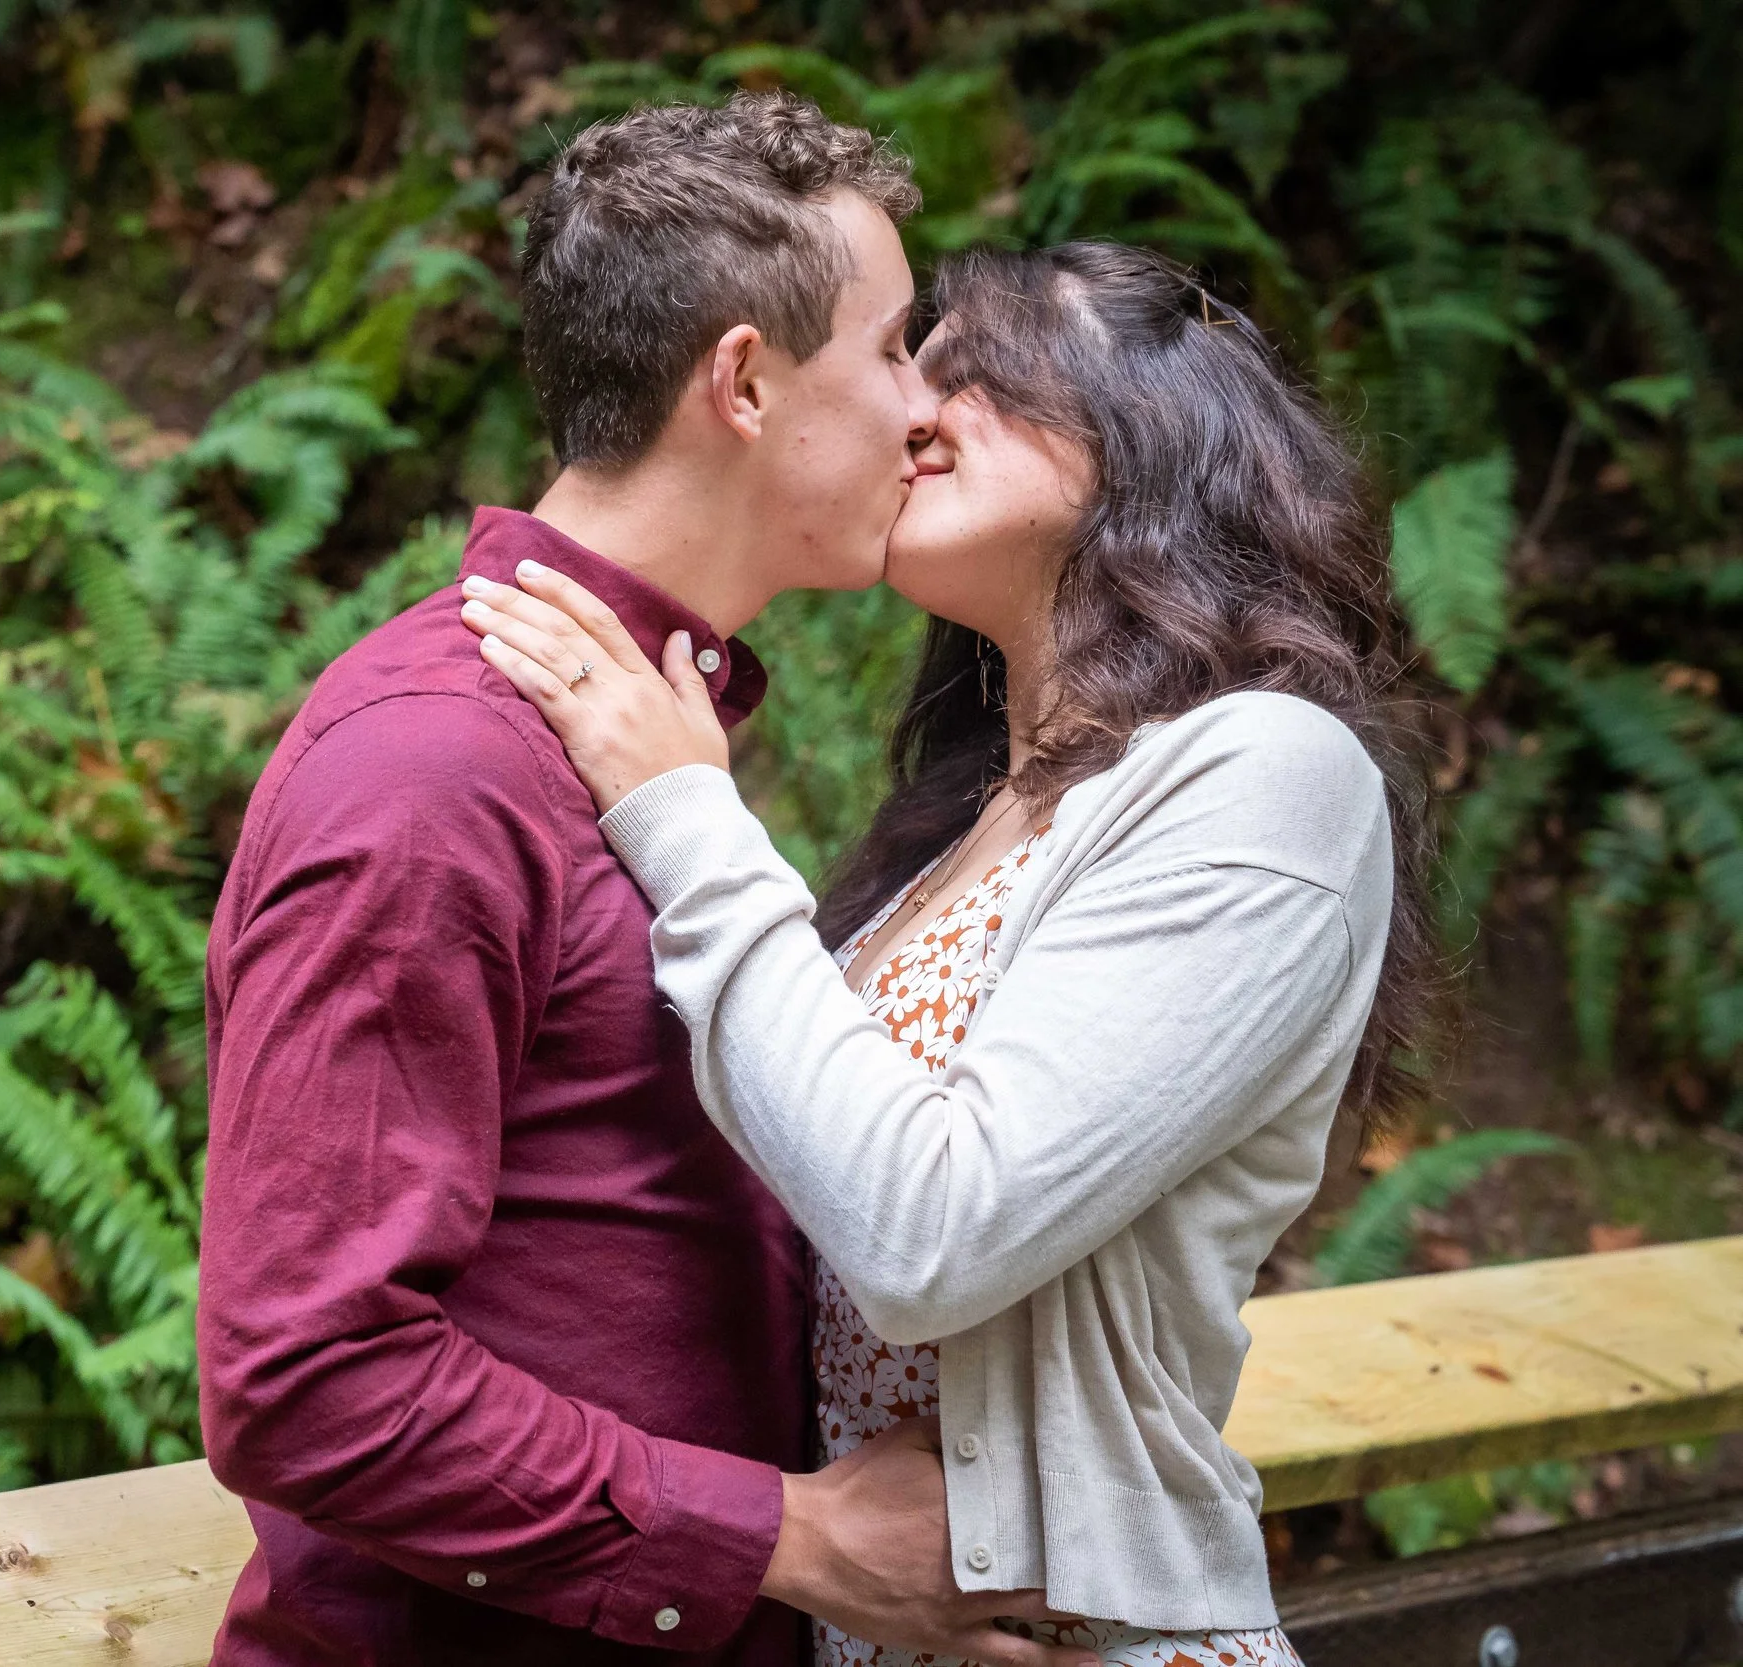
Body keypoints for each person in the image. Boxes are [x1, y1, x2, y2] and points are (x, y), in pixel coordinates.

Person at [197, 98, 1101, 1667]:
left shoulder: (640, 736)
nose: (926, 411)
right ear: (744, 382)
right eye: (896, 350)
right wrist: (796, 1539)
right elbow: (302, 1376)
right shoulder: (433, 771)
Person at [460, 239, 1438, 1667]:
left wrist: (682, 814)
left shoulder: (1269, 771)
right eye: (906, 369)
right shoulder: (968, 824)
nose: (912, 413)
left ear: (1151, 429)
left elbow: (934, 1228)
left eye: (972, 370)